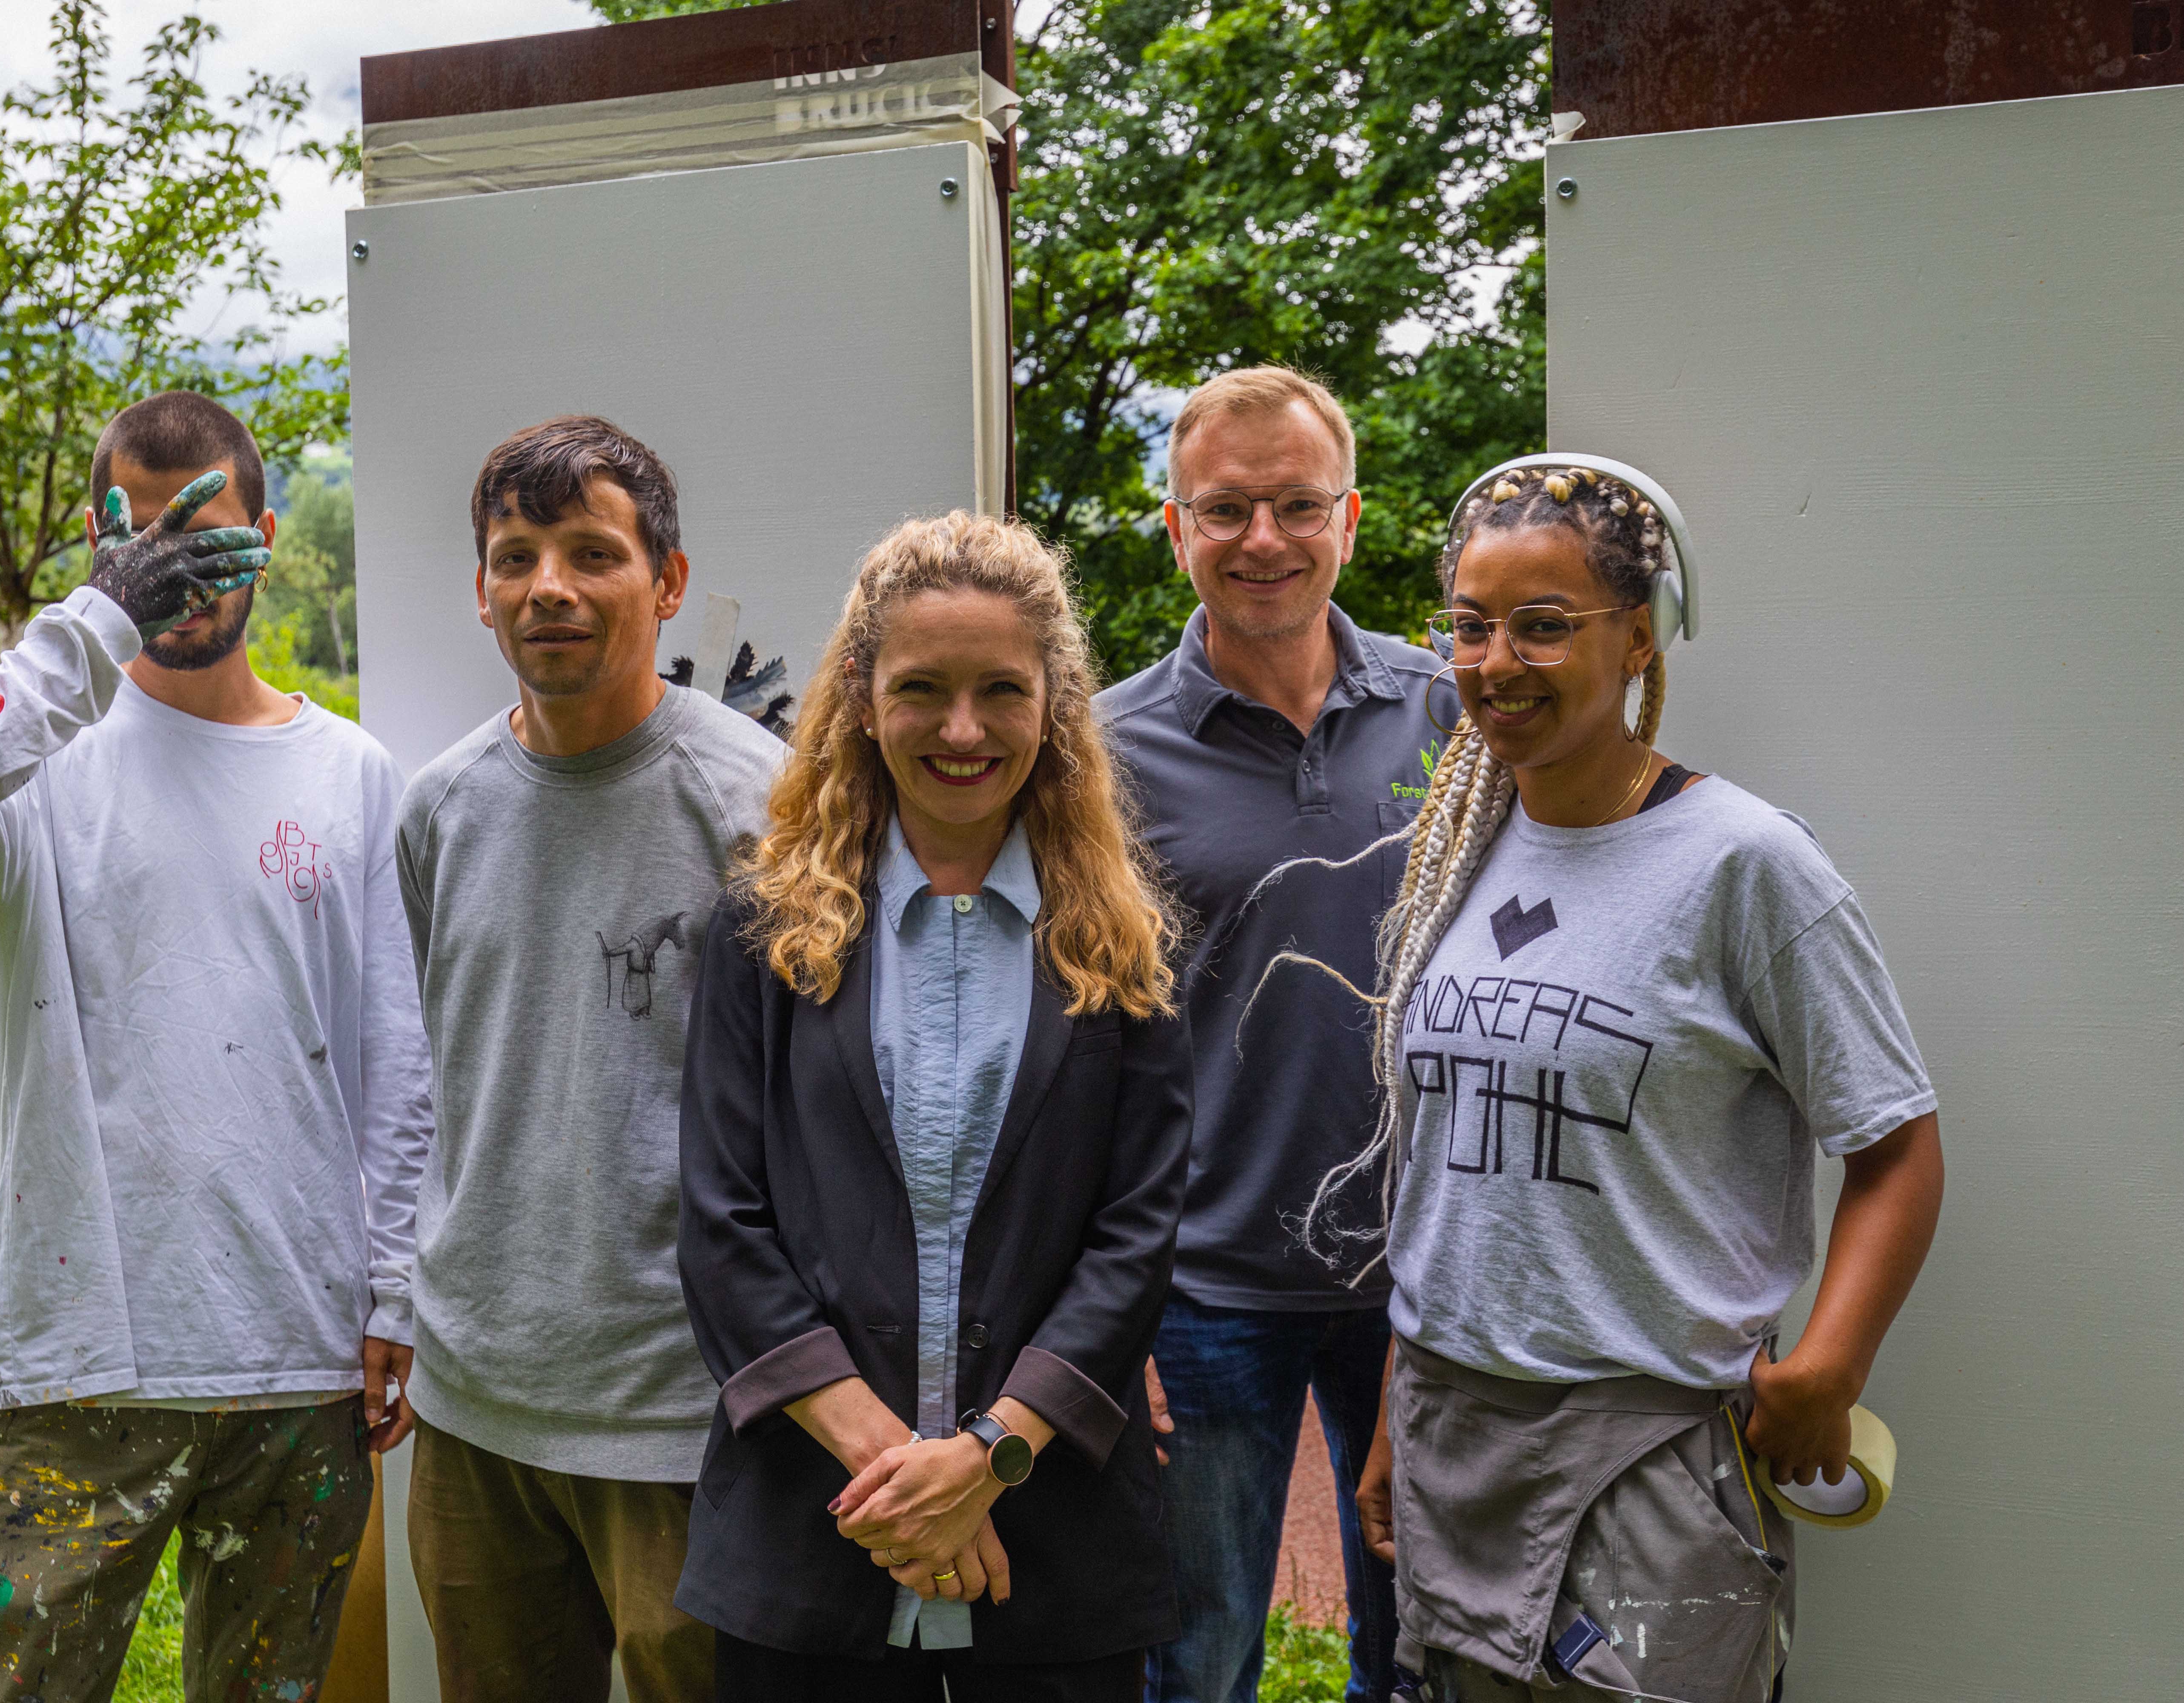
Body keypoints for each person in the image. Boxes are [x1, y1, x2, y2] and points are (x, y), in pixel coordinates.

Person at [0, 390, 433, 1703]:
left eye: (203, 536)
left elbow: (395, 1052)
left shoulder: (348, 772)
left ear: (268, 537)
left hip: (302, 1356)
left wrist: (392, 1286)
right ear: (103, 550)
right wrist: (95, 626)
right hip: (81, 1359)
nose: (176, 569)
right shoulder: (43, 759)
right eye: (141, 542)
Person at [1343, 460, 1945, 1701]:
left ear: (1638, 635)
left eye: (1542, 625)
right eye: (1469, 623)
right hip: (1454, 1438)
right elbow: (1449, 1171)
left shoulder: (1743, 866)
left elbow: (1893, 1143)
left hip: (1645, 1465)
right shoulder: (1462, 847)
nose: (1494, 659)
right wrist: (1399, 1400)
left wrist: (1827, 1369)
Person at [676, 511, 1195, 1703]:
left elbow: (1134, 1240)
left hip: (1055, 1554)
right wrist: (908, 1479)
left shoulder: (1124, 948)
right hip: (810, 1541)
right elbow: (723, 1226)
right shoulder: (763, 934)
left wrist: (995, 1454)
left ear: (1053, 705)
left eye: (1000, 691)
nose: (962, 730)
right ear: (862, 697)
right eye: (922, 689)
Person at [396, 416, 785, 1703]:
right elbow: (432, 1074)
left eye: (590, 553)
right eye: (516, 556)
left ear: (664, 583)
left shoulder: (754, 804)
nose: (547, 586)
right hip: (475, 1403)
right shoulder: (439, 809)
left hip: (685, 1408)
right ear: (482, 592)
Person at [1095, 366, 1452, 1703]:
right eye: (1225, 508)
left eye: (1295, 505)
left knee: (1425, 1647)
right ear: (1174, 526)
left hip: (1425, 1281)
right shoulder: (1099, 753)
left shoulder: (1451, 719)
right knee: (1195, 1662)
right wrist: (1104, 1308)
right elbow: (1073, 1044)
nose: (1262, 540)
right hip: (1201, 1284)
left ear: (1347, 520)